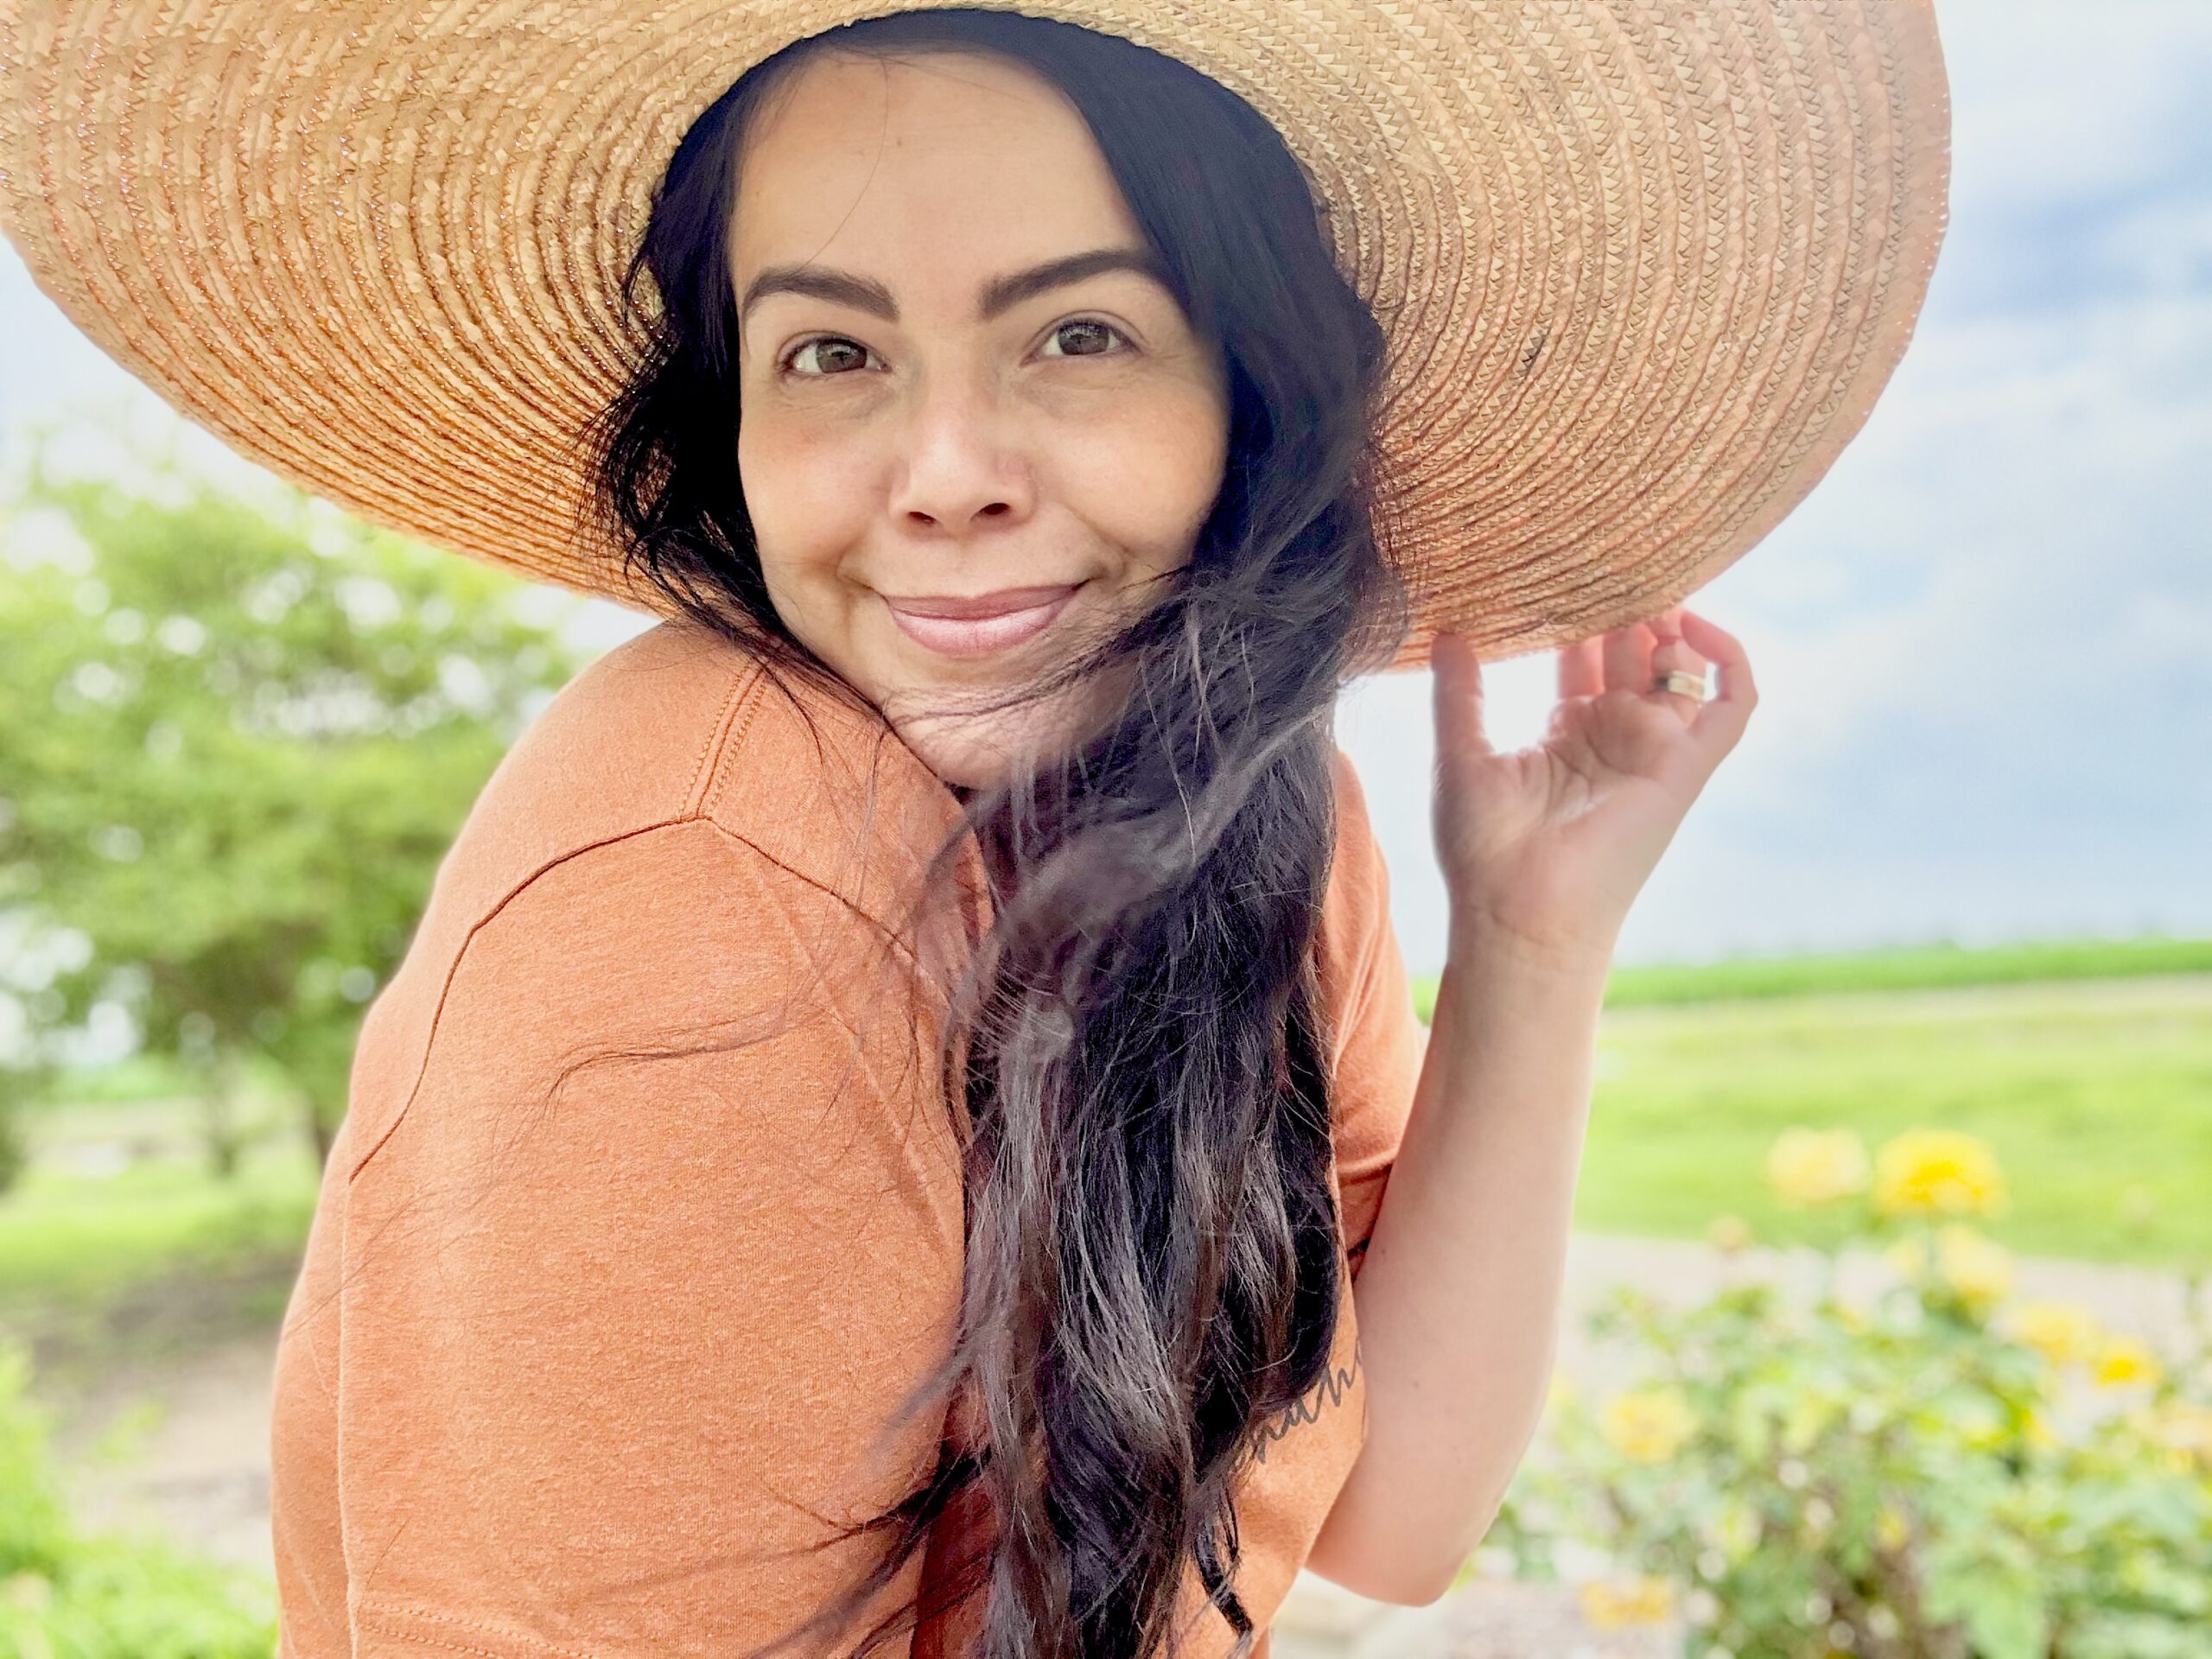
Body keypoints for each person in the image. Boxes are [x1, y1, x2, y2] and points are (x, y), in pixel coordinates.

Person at [0, 2, 1951, 1655]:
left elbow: (1386, 1517)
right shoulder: (702, 888)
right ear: (730, 427)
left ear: (1243, 396)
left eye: (1076, 335)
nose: (942, 477)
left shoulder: (1252, 809)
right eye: (830, 353)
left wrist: (1527, 943)